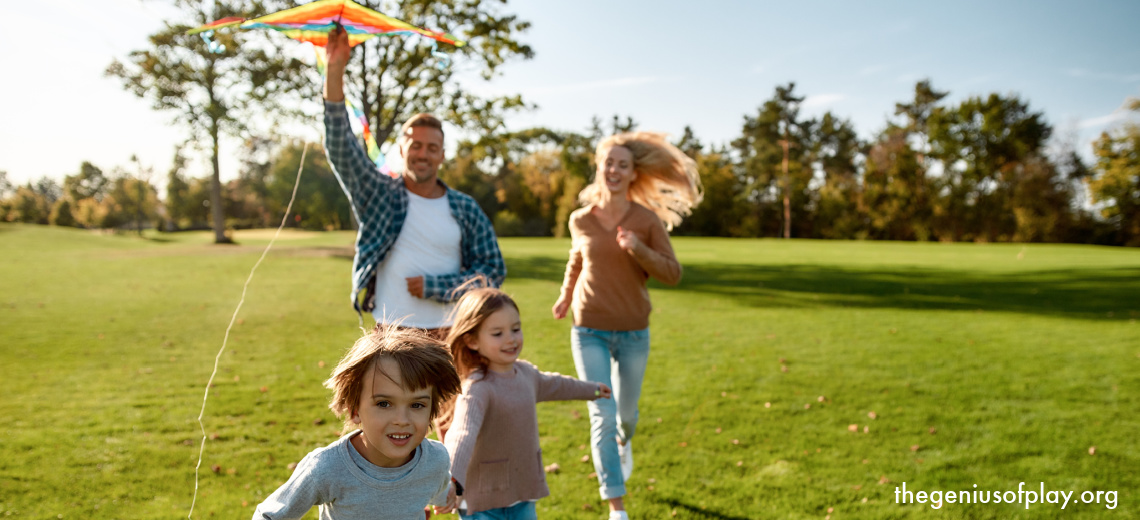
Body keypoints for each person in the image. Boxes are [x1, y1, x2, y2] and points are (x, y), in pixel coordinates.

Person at [551, 132, 702, 520]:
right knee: (601, 411)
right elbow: (576, 260)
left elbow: (672, 273)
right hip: (589, 330)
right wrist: (566, 295)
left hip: (634, 331)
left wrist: (639, 249)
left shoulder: (646, 221)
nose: (614, 170)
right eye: (609, 163)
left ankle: (624, 440)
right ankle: (616, 507)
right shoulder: (580, 219)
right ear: (599, 168)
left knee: (626, 417)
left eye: (623, 164)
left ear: (634, 173)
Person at [323, 27, 505, 333]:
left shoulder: (465, 207)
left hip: (452, 334)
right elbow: (340, 145)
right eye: (415, 146)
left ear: (442, 155)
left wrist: (439, 286)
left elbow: (493, 270)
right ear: (401, 150)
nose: (423, 154)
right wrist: (334, 69)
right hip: (391, 333)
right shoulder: (379, 194)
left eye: (432, 148)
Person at [434, 287, 612, 519]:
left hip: (523, 491)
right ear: (472, 341)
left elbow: (557, 385)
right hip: (484, 502)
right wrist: (453, 480)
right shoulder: (478, 388)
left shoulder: (526, 374)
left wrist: (593, 389)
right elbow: (461, 436)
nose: (510, 339)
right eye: (497, 333)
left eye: (515, 329)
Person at [252, 324, 462, 519]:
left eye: (416, 405)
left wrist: (449, 496)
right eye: (384, 404)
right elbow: (269, 515)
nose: (401, 420)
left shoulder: (435, 459)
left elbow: (442, 488)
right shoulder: (327, 468)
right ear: (355, 410)